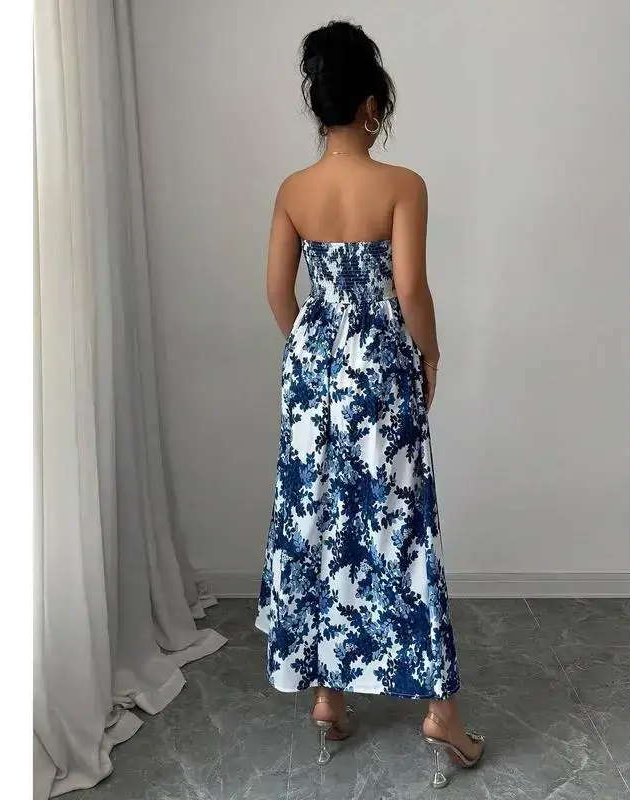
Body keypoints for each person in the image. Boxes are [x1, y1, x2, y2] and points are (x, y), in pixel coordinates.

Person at [254, 19, 485, 788]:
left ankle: (327, 697)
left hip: (312, 374)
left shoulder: (293, 191)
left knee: (320, 518)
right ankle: (441, 713)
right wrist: (430, 352)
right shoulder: (402, 185)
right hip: (381, 369)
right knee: (401, 523)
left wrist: (315, 349)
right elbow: (410, 287)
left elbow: (277, 293)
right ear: (371, 106)